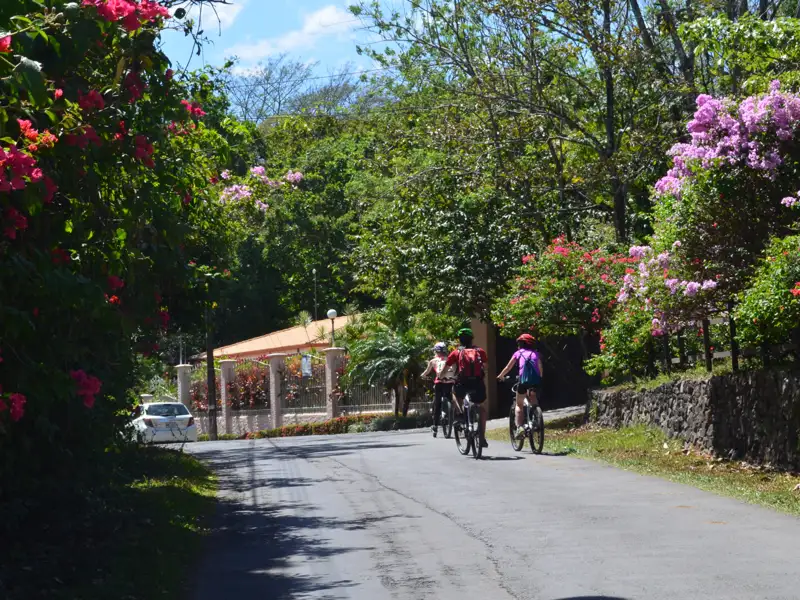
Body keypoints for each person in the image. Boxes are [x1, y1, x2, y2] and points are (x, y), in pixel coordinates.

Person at [444, 328, 489, 448]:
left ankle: (459, 414)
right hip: (477, 383)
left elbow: (446, 367)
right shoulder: (480, 351)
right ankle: (482, 437)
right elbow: (485, 366)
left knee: (454, 392)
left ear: (459, 340)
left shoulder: (456, 352)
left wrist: (441, 376)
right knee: (482, 408)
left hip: (462, 382)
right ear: (472, 339)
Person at [497, 333, 543, 439]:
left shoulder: (518, 353)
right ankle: (537, 419)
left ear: (520, 344)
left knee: (519, 405)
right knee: (533, 398)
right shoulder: (536, 354)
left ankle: (520, 427)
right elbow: (540, 368)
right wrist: (540, 378)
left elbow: (508, 367)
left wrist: (500, 376)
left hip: (523, 382)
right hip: (535, 382)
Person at [421, 342, 456, 437]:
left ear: (436, 351)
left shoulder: (433, 361)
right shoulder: (450, 359)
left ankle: (435, 425)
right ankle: (454, 417)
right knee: (451, 399)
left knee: (437, 404)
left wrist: (423, 376)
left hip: (439, 383)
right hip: (450, 382)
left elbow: (426, 372)